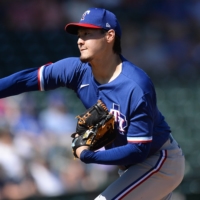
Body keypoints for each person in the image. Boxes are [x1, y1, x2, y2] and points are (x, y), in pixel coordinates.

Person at [0, 7, 185, 200]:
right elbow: (25, 79)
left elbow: (139, 149)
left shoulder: (135, 85)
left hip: (159, 161)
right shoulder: (76, 70)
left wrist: (90, 156)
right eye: (79, 35)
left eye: (88, 34)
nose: (80, 40)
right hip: (132, 170)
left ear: (109, 36)